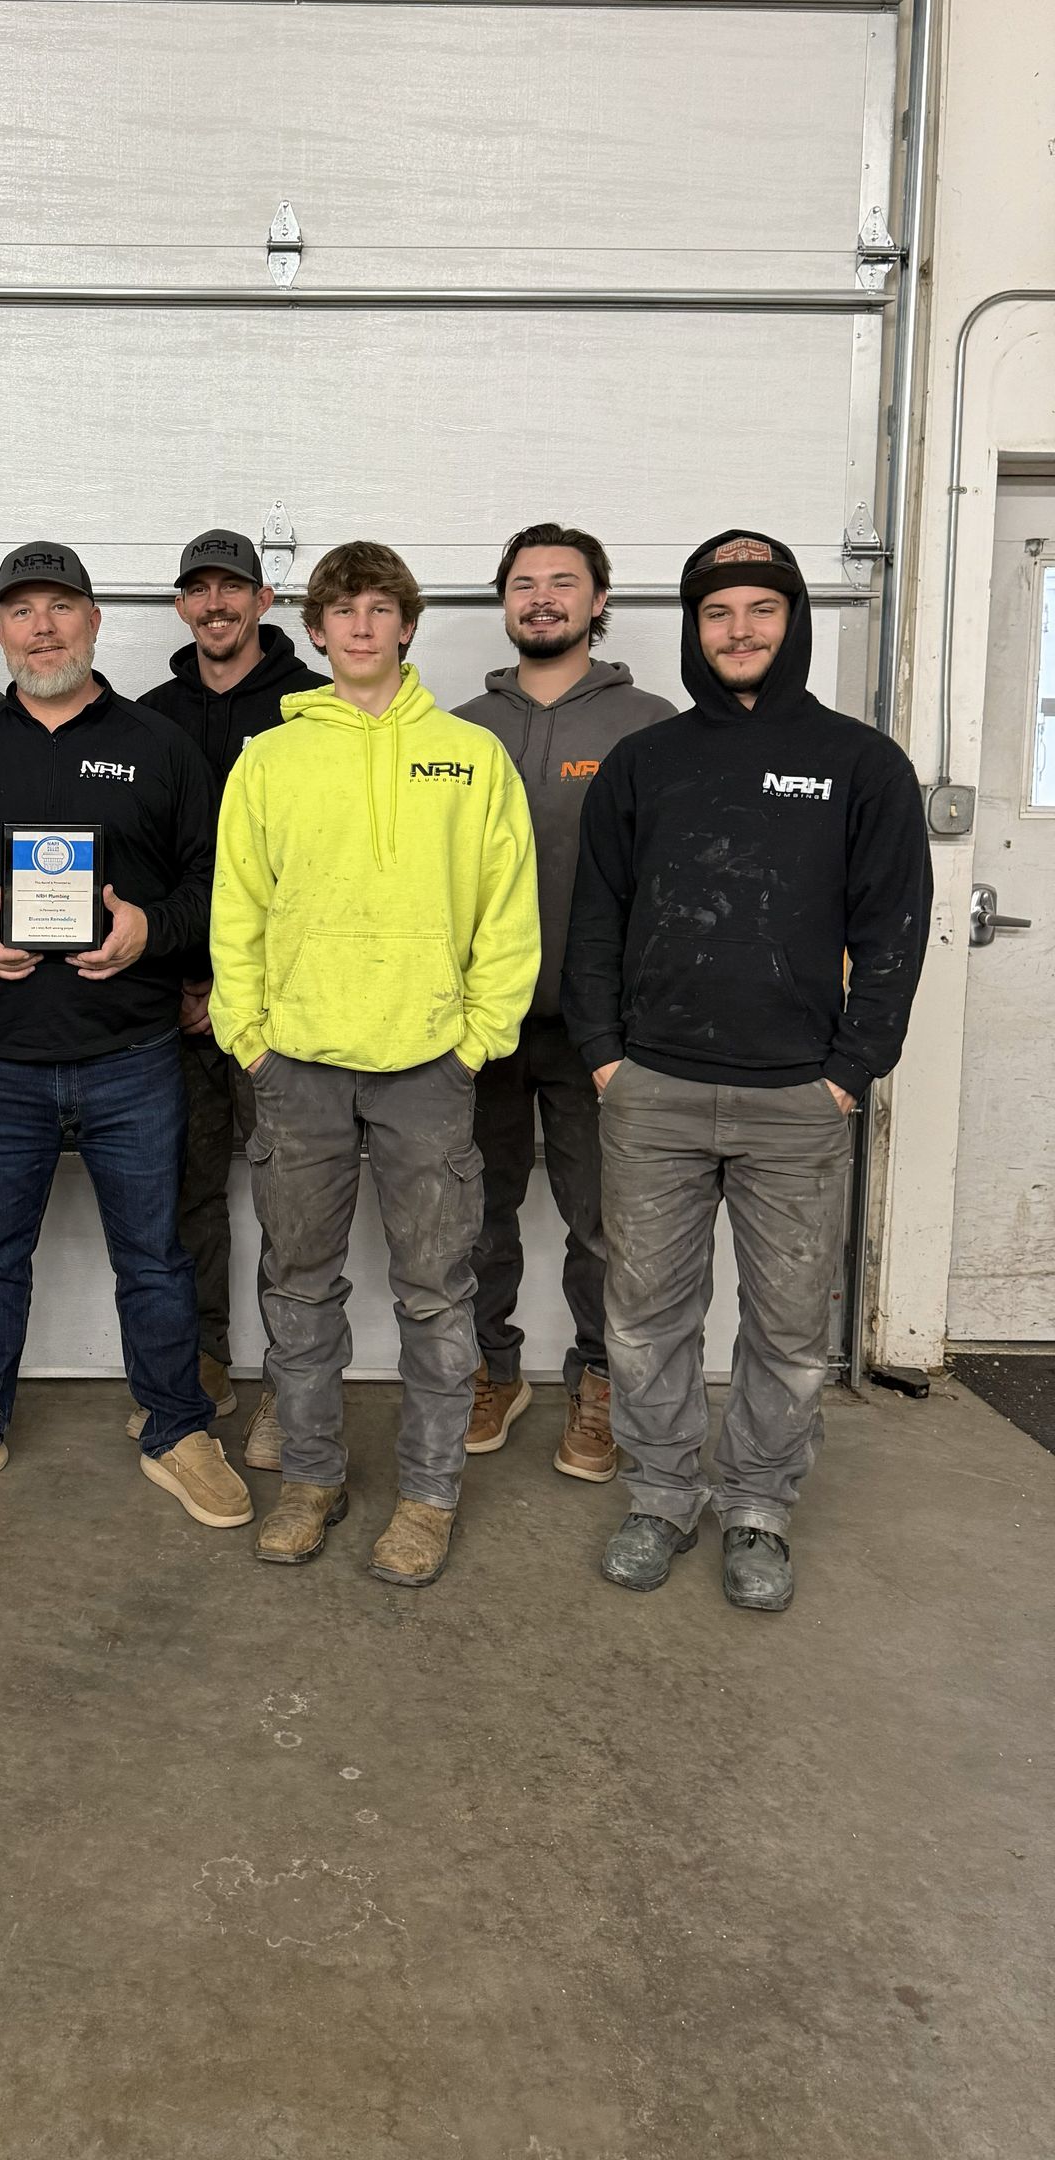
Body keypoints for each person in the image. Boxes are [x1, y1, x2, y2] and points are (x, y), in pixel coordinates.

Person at [563, 531, 931, 1612]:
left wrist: (848, 1073)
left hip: (795, 1101)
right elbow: (597, 920)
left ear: (793, 622)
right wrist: (603, 1059)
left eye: (761, 611)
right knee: (644, 1314)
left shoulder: (862, 764)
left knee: (786, 1325)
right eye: (718, 613)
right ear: (692, 628)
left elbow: (897, 930)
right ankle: (665, 1494)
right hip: (654, 1095)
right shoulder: (646, 762)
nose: (739, 631)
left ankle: (759, 1506)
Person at [0, 539, 252, 1532]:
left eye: (60, 607)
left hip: (132, 1057)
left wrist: (151, 930)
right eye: (20, 611)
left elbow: (216, 888)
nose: (40, 626)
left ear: (95, 620)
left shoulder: (158, 745)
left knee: (155, 1255)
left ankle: (177, 1425)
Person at [210, 539, 539, 1584]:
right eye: (340, 609)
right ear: (314, 630)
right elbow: (238, 911)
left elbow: (507, 910)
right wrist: (250, 1036)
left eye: (379, 607)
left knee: (438, 1294)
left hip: (426, 1070)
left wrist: (477, 1037)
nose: (359, 624)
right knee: (299, 1288)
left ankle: (430, 1496)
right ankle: (310, 1478)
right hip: (297, 1068)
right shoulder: (270, 757)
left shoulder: (469, 755)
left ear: (407, 625)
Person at [452, 524, 674, 1482]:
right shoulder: (456, 730)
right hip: (478, 1026)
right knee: (476, 1213)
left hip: (603, 1034)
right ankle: (491, 1372)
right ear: (504, 603)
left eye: (563, 583)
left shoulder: (649, 724)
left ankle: (601, 1384)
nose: (542, 598)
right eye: (524, 584)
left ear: (598, 602)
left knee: (603, 1223)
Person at [137, 528, 326, 1467]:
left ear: (264, 602)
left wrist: (245, 988)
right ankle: (203, 1363)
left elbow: (326, 872)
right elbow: (139, 861)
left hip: (284, 1007)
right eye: (197, 590)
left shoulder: (315, 709)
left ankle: (292, 1389)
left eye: (233, 589)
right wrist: (189, 980)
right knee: (187, 1195)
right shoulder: (149, 716)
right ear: (180, 605)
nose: (215, 605)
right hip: (174, 1002)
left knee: (294, 1203)